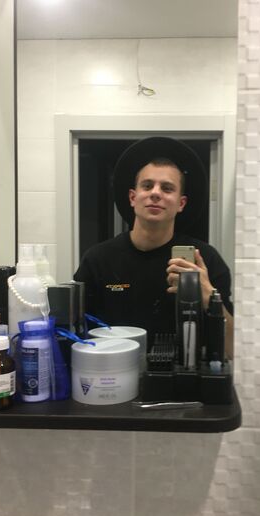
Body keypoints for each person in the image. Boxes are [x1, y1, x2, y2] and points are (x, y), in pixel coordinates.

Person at [73, 137, 234, 358]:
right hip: (113, 373)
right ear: (133, 197)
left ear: (181, 203)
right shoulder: (98, 260)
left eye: (167, 188)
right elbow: (74, 334)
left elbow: (233, 349)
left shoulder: (204, 259)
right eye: (147, 186)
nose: (155, 193)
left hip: (184, 375)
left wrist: (209, 297)